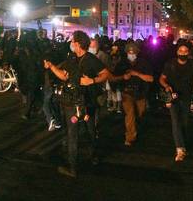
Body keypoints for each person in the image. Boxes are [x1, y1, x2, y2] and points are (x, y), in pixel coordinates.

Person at [44, 30, 110, 178]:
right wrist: (52, 67)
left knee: (89, 130)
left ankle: (88, 159)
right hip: (71, 102)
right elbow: (63, 75)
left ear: (78, 44)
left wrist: (91, 81)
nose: (71, 44)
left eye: (73, 41)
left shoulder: (91, 59)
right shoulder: (71, 59)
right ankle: (76, 164)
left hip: (87, 102)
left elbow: (106, 74)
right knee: (73, 133)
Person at [159, 43, 193, 162]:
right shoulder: (170, 64)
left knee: (184, 122)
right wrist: (166, 86)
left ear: (188, 53)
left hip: (187, 96)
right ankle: (180, 148)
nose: (183, 53)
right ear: (177, 52)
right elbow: (162, 78)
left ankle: (183, 143)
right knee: (175, 121)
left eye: (185, 51)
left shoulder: (192, 64)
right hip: (173, 96)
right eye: (181, 50)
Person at [115, 42, 153, 147]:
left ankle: (136, 129)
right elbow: (114, 77)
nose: (131, 54)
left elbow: (150, 78)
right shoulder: (121, 64)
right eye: (129, 52)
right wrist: (123, 77)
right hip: (127, 93)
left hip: (141, 93)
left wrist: (137, 74)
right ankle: (130, 137)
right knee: (130, 115)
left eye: (134, 52)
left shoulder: (144, 63)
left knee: (140, 114)